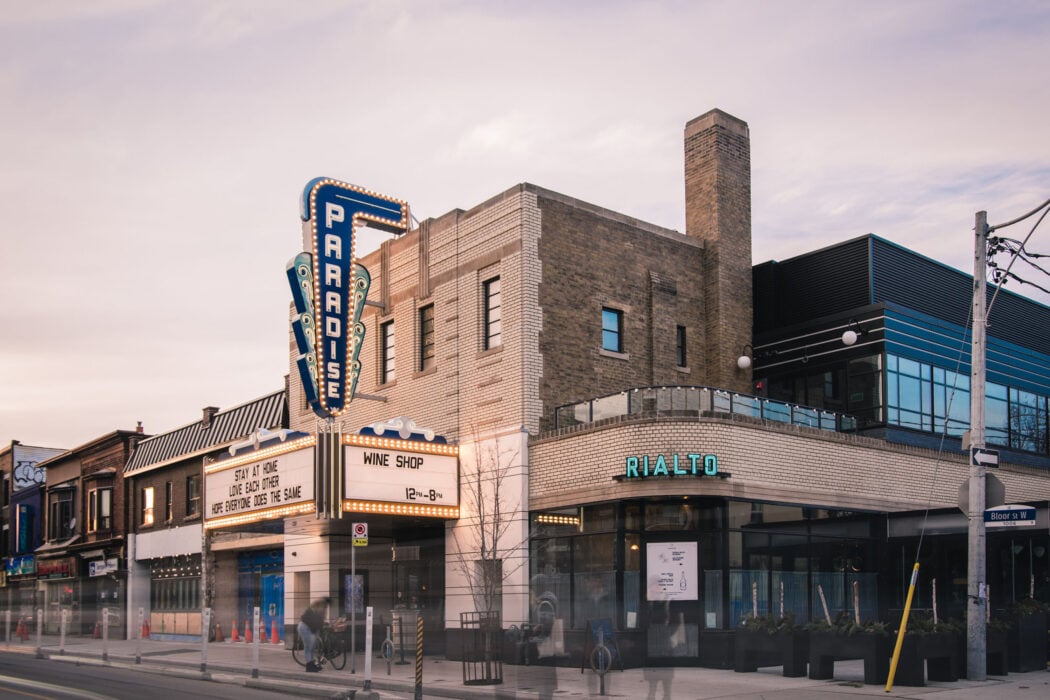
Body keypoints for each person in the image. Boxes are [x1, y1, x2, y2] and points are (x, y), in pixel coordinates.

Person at [298, 597, 329, 672]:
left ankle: (312, 665)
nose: (326, 607)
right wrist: (321, 627)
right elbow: (317, 621)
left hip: (308, 628)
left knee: (311, 648)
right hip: (305, 628)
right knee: (308, 648)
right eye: (326, 606)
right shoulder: (317, 611)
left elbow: (318, 621)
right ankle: (309, 666)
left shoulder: (315, 609)